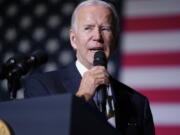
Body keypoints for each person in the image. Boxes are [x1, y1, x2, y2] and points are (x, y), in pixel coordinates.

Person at [24, 0, 155, 135]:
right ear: (73, 39)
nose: (97, 36)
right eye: (88, 28)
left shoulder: (138, 103)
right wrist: (82, 97)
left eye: (105, 28)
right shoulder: (41, 86)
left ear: (115, 40)